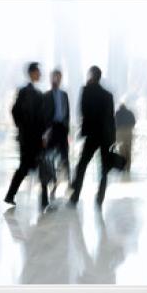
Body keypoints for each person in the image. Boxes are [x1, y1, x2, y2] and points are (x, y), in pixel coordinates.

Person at [4, 62, 49, 208]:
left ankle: (12, 195)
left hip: (27, 137)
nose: (40, 74)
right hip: (33, 138)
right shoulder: (34, 94)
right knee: (35, 167)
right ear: (32, 73)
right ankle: (43, 201)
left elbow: (15, 111)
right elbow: (39, 118)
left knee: (26, 167)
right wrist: (39, 134)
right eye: (38, 72)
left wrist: (21, 128)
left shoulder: (25, 92)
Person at [69, 66, 116, 206]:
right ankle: (100, 197)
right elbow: (111, 118)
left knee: (82, 164)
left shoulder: (86, 91)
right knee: (104, 169)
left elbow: (82, 111)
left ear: (91, 75)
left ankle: (76, 195)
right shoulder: (108, 95)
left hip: (92, 135)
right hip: (106, 135)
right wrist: (113, 138)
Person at [43, 69, 70, 183]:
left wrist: (67, 126)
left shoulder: (64, 95)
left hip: (62, 127)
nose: (57, 79)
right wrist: (45, 132)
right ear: (50, 79)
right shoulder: (46, 95)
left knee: (64, 154)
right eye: (54, 77)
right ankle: (51, 178)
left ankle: (68, 179)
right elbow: (43, 114)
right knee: (49, 155)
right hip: (51, 128)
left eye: (59, 77)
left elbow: (67, 112)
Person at [115, 103, 135, 173]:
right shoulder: (130, 113)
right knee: (128, 150)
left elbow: (114, 123)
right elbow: (133, 122)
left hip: (120, 133)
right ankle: (128, 167)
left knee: (121, 151)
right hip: (128, 132)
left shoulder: (117, 113)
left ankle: (123, 167)